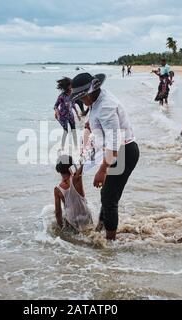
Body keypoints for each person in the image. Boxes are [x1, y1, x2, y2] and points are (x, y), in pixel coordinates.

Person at [71, 73, 139, 241]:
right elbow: (101, 128)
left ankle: (110, 243)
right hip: (115, 151)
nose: (81, 102)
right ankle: (101, 227)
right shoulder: (97, 100)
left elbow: (115, 142)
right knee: (108, 195)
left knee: (109, 198)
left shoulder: (105, 106)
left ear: (88, 93)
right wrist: (91, 123)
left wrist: (102, 169)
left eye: (81, 98)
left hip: (123, 152)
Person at [54, 155, 93, 232]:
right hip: (85, 215)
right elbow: (85, 164)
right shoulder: (76, 178)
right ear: (71, 165)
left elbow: (58, 212)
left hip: (72, 220)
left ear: (58, 169)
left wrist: (61, 228)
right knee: (90, 232)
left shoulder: (57, 189)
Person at [54, 77, 81, 151]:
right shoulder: (62, 96)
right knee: (65, 131)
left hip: (70, 115)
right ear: (67, 86)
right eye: (70, 85)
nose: (72, 86)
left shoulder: (72, 94)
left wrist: (77, 114)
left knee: (74, 131)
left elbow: (73, 104)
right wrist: (56, 112)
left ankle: (76, 147)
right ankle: (62, 147)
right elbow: (55, 105)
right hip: (63, 116)